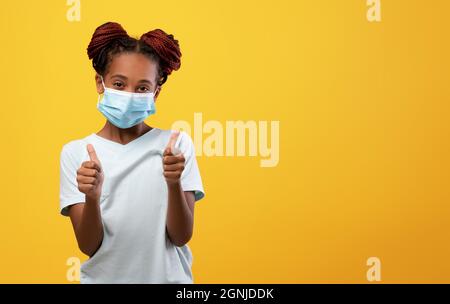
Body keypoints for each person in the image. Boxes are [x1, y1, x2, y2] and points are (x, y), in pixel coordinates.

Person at [59, 22, 205, 283]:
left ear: (155, 93)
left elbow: (181, 236)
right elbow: (88, 245)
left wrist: (173, 184)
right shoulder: (76, 153)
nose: (129, 95)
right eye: (119, 83)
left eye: (142, 88)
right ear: (100, 83)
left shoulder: (176, 146)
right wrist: (92, 197)